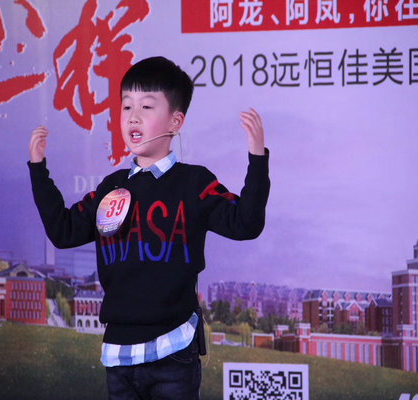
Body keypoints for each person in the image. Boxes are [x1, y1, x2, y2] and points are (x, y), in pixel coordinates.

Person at [28, 56, 270, 400]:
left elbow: (246, 223)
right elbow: (63, 231)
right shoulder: (111, 188)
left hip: (173, 349)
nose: (133, 117)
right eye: (126, 106)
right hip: (119, 353)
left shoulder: (194, 183)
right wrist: (38, 170)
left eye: (146, 106)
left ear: (175, 120)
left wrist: (257, 157)